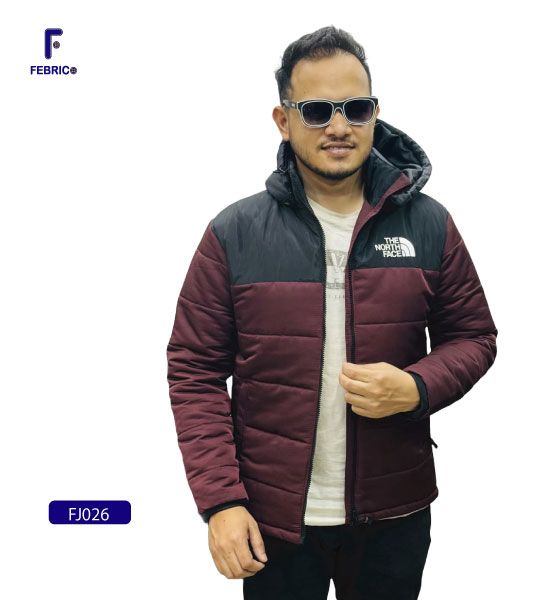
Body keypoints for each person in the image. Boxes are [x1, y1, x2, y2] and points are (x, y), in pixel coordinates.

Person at [166, 25, 498, 600]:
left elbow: (474, 336)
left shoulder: (429, 225)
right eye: (317, 111)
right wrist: (221, 502)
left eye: (356, 108)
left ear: (375, 113)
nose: (339, 127)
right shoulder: (233, 234)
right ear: (283, 119)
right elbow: (194, 370)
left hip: (394, 515)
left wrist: (417, 386)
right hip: (272, 522)